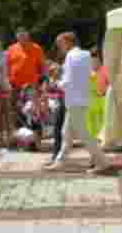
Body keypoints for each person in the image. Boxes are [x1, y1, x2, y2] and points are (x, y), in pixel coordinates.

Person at [45, 32, 108, 173]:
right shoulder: (86, 55)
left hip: (74, 101)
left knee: (83, 135)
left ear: (68, 42)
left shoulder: (70, 56)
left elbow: (67, 82)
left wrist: (55, 82)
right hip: (82, 99)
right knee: (66, 133)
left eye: (60, 44)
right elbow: (87, 76)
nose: (59, 47)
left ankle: (102, 162)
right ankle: (60, 161)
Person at [7, 28, 46, 134]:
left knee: (32, 110)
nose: (22, 39)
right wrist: (7, 82)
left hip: (31, 86)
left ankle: (36, 134)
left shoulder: (36, 48)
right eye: (20, 37)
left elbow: (43, 67)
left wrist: (41, 83)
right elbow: (7, 67)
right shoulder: (11, 49)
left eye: (24, 36)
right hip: (15, 85)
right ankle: (20, 135)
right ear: (17, 37)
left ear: (28, 36)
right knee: (15, 110)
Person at [86, 49, 107, 140]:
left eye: (96, 60)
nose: (94, 63)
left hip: (101, 98)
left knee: (101, 119)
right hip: (89, 99)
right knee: (90, 120)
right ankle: (91, 138)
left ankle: (99, 137)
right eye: (92, 61)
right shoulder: (87, 71)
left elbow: (109, 83)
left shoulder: (104, 70)